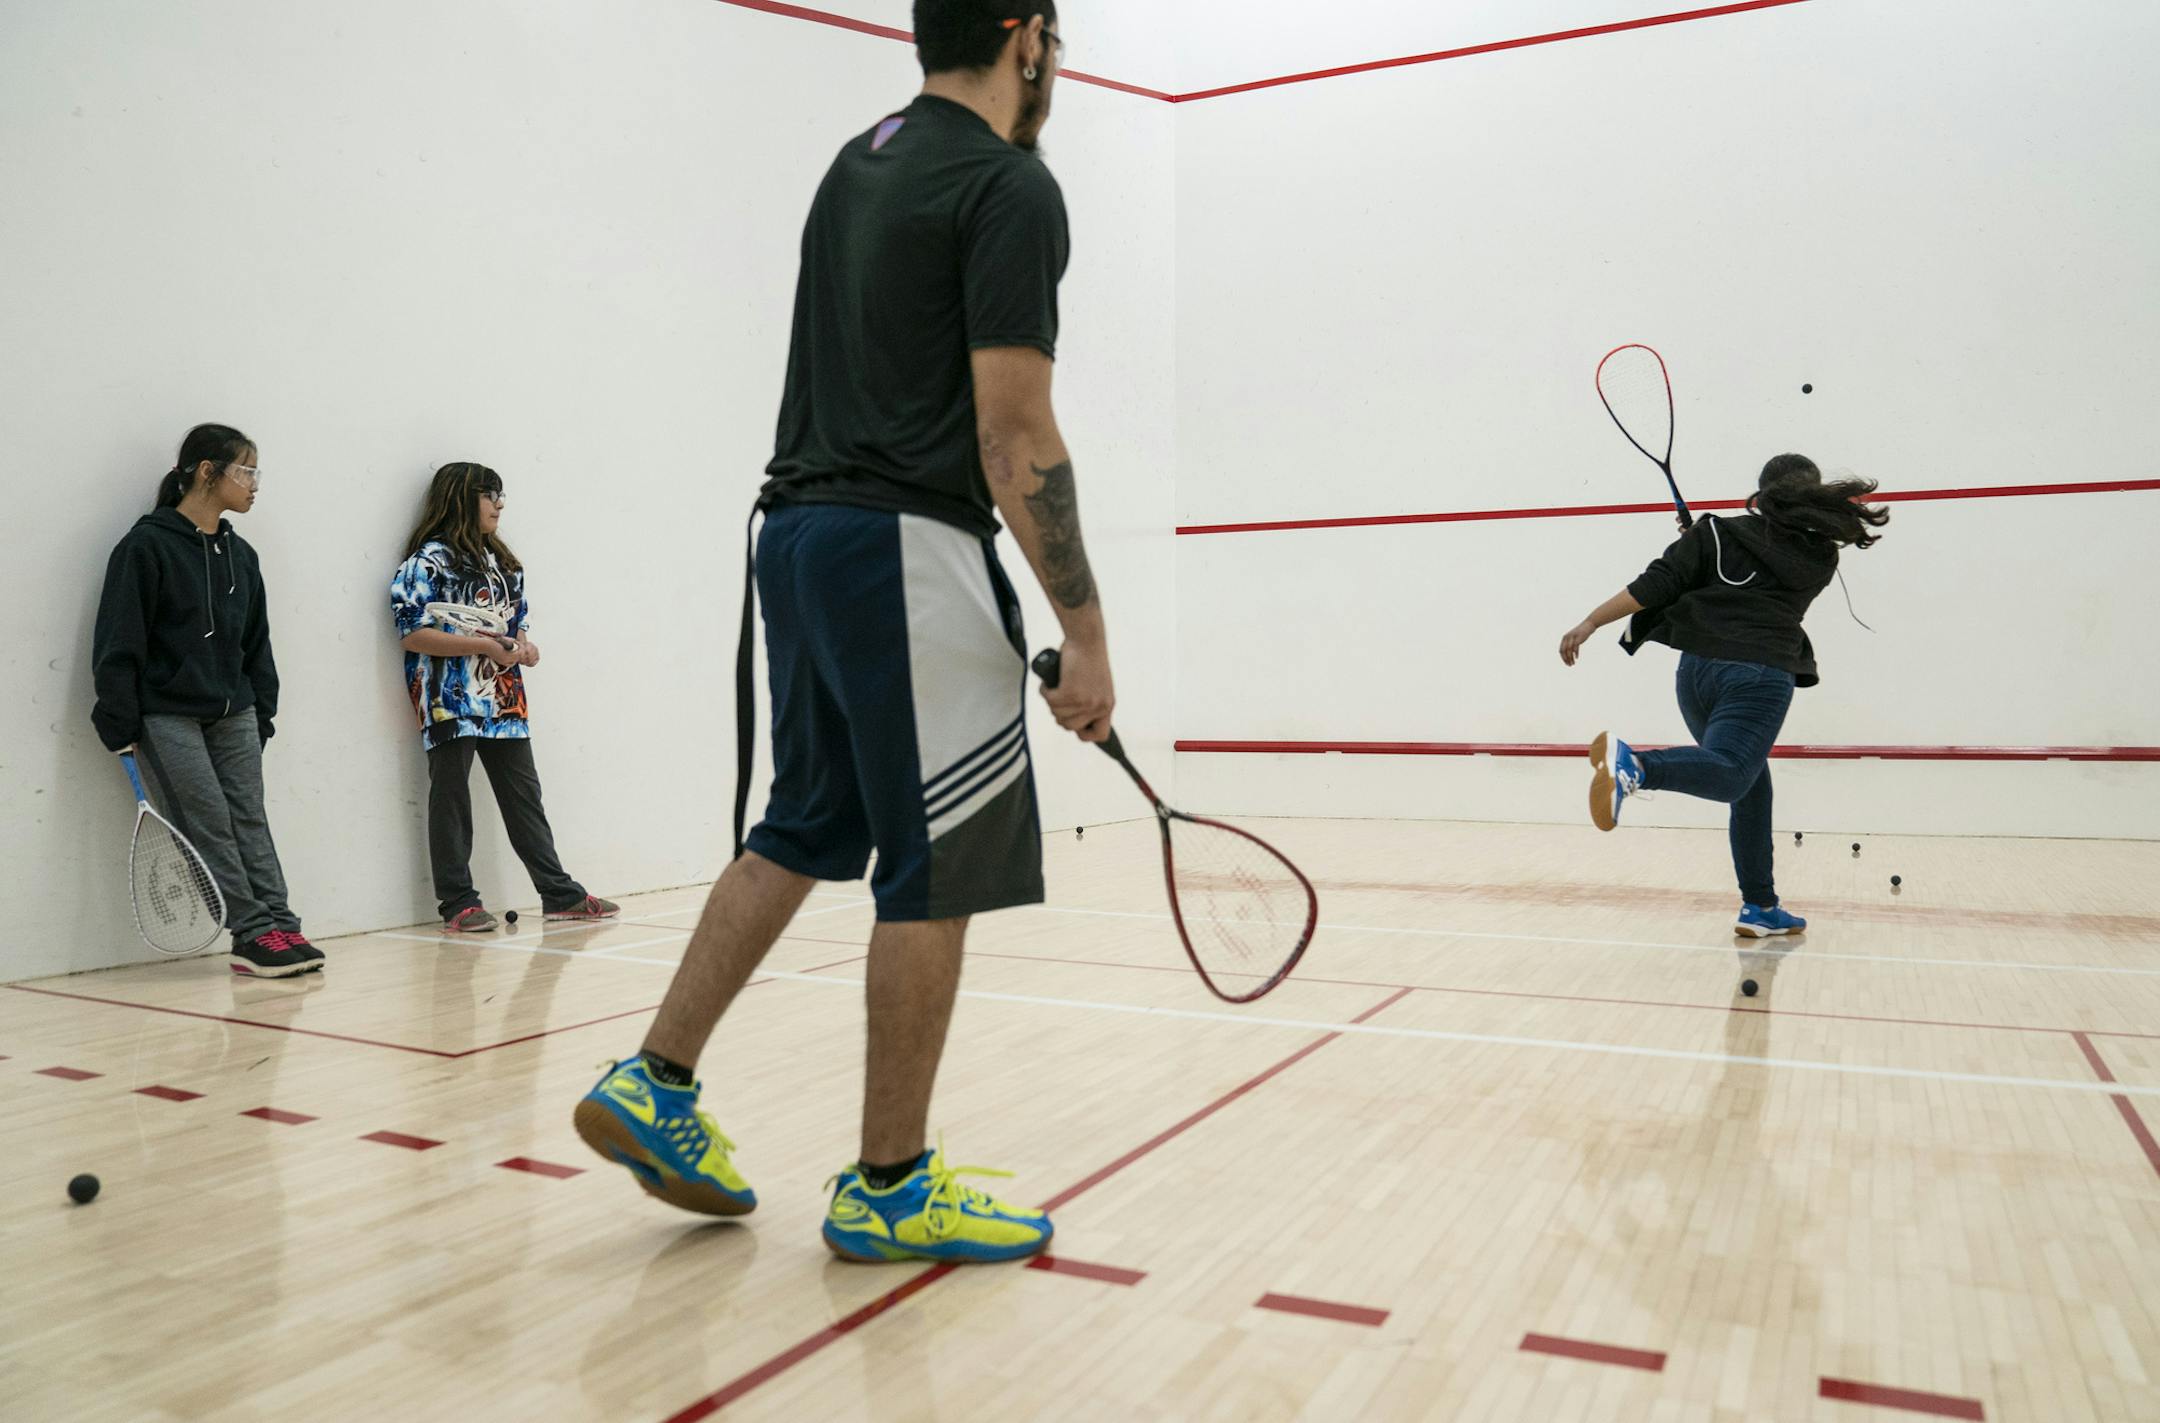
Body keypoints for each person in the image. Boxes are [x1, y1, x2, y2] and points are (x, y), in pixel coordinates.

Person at [575, 0, 1110, 1265]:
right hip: (906, 548)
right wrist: (1083, 632)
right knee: (942, 862)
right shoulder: (1009, 188)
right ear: (1027, 35)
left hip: (799, 535)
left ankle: (657, 1078)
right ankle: (887, 1183)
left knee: (808, 822)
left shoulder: (857, 160)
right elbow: (1014, 435)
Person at [1558, 454, 1890, 937]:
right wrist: (1705, 547)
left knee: (1752, 788)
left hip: (1695, 675)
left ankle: (1760, 907)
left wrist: (1591, 620)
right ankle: (1638, 767)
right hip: (1757, 674)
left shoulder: (1715, 534)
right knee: (1734, 773)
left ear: (1761, 492)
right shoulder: (1821, 557)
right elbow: (1765, 581)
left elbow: (1657, 585)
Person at [91, 423, 322, 977]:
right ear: (206, 472)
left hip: (234, 713)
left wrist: (261, 711)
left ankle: (280, 922)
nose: (255, 484)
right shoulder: (145, 547)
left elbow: (256, 644)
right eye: (246, 471)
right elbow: (120, 639)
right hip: (166, 715)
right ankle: (252, 933)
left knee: (248, 817)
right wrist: (119, 718)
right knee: (210, 822)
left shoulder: (242, 556)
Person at [390, 462, 618, 932]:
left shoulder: (504, 564)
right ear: (459, 497)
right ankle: (458, 904)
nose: (499, 504)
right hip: (447, 699)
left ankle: (560, 894)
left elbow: (514, 629)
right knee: (451, 797)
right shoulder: (426, 562)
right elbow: (413, 633)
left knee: (524, 797)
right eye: (489, 494)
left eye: (501, 495)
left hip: (504, 700)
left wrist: (523, 648)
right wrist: (483, 646)